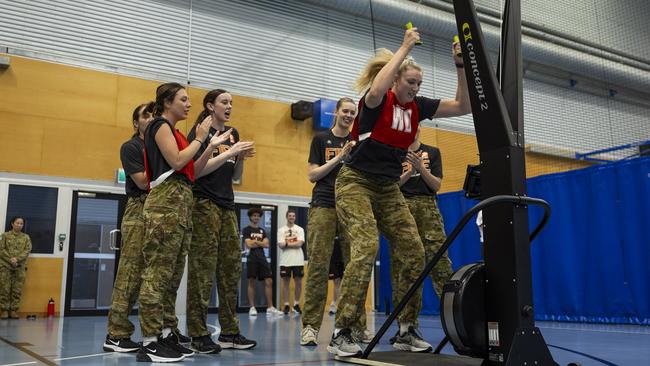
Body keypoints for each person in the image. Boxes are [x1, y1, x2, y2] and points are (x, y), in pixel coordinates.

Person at [327, 26, 470, 357]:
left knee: (413, 251)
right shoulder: (377, 102)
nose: (415, 88)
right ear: (395, 81)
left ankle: (407, 329)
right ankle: (343, 330)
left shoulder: (418, 107)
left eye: (419, 83)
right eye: (410, 82)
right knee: (365, 247)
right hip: (355, 181)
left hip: (388, 187)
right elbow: (376, 88)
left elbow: (463, 105)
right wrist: (404, 48)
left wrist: (460, 66)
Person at [136, 82, 229, 363]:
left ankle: (165, 334)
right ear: (167, 102)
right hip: (165, 202)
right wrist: (201, 138)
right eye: (183, 99)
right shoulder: (159, 125)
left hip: (181, 202)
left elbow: (192, 171)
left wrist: (212, 147)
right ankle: (150, 341)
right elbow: (177, 162)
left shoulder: (177, 133)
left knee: (173, 274)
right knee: (157, 273)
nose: (189, 105)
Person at [186, 89, 256, 353]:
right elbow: (198, 171)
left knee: (230, 271)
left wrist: (239, 158)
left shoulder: (232, 133)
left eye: (231, 103)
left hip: (227, 206)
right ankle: (197, 333)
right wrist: (228, 153)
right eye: (224, 102)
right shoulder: (199, 132)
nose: (229, 107)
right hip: (203, 204)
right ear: (210, 106)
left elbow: (235, 176)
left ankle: (229, 332)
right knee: (202, 272)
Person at [300, 97, 363, 347]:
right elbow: (312, 174)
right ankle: (310, 328)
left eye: (352, 112)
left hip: (351, 207)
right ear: (335, 113)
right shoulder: (320, 139)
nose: (348, 115)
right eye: (345, 111)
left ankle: (353, 327)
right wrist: (340, 157)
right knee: (318, 266)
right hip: (324, 204)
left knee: (354, 267)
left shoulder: (359, 142)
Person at [389, 126, 453, 344]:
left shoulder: (432, 152)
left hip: (428, 208)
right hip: (401, 207)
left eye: (416, 127)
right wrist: (409, 172)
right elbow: (392, 185)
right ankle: (405, 327)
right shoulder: (395, 153)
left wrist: (421, 168)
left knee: (440, 263)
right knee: (404, 266)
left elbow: (436, 185)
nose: (413, 131)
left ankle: (456, 320)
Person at [104, 102, 155, 353]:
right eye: (146, 115)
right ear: (136, 123)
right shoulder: (132, 147)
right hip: (138, 209)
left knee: (154, 274)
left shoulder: (160, 147)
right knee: (130, 273)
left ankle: (160, 332)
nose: (151, 118)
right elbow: (143, 181)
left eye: (154, 114)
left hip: (158, 211)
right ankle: (116, 333)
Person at [243, 207, 281, 315]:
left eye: (258, 216)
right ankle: (252, 307)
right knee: (251, 281)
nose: (256, 217)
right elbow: (248, 244)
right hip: (252, 258)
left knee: (269, 281)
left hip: (262, 258)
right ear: (250, 217)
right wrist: (259, 242)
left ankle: (270, 307)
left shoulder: (262, 230)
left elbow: (266, 244)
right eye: (254, 215)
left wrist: (255, 241)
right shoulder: (246, 230)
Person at [0, 217, 32, 319]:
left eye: (21, 223)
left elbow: (27, 250)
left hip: (20, 267)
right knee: (4, 289)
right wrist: (11, 259)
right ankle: (4, 311)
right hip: (5, 266)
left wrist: (17, 259)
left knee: (17, 290)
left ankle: (13, 311)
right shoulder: (4, 236)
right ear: (12, 224)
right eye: (17, 223)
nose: (19, 225)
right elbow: (1, 249)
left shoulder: (26, 237)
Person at [277, 209, 305, 315]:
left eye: (293, 216)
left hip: (298, 260)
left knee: (298, 283)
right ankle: (287, 305)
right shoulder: (281, 230)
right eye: (290, 216)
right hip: (285, 261)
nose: (291, 217)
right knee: (286, 283)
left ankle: (297, 304)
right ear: (286, 217)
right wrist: (294, 241)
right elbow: (280, 245)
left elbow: (300, 243)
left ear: (295, 217)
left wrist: (287, 243)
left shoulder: (300, 229)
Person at [328, 237, 345, 315]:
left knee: (345, 281)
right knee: (336, 281)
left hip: (344, 258)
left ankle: (343, 306)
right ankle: (334, 304)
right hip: (333, 259)